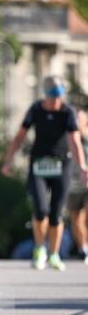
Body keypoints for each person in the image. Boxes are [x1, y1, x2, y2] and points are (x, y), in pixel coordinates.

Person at [1, 75, 88, 271]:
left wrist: (82, 166)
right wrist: (8, 160)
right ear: (45, 95)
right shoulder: (36, 110)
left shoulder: (68, 112)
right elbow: (19, 137)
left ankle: (54, 254)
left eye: (58, 97)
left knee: (56, 213)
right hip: (39, 165)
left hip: (62, 164)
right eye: (52, 97)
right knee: (41, 209)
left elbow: (74, 141)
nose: (55, 101)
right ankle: (40, 249)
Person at [67, 106, 88, 262]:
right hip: (73, 185)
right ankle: (83, 248)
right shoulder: (68, 138)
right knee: (76, 219)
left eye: (79, 119)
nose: (77, 122)